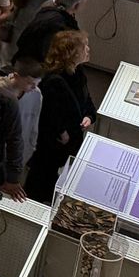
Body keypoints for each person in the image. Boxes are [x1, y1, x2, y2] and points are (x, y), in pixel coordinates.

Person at [24, 31, 96, 202]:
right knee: (43, 174)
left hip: (69, 138)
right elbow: (49, 113)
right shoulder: (54, 80)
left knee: (55, 174)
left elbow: (86, 99)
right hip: (53, 143)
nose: (88, 49)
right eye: (84, 47)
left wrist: (89, 115)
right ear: (72, 54)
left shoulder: (78, 73)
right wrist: (62, 133)